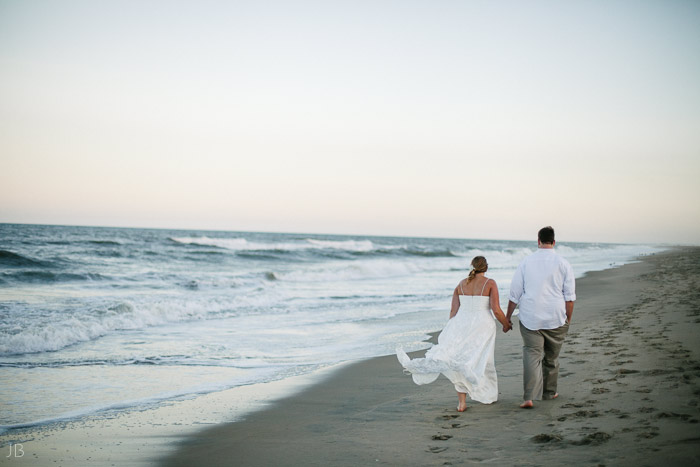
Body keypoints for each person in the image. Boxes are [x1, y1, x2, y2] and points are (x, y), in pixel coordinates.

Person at [397, 256, 512, 412]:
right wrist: (506, 324)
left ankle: (462, 403)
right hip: (482, 326)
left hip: (461, 324)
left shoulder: (461, 284)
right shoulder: (490, 283)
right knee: (482, 359)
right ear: (486, 267)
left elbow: (453, 311)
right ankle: (487, 395)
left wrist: (453, 328)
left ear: (472, 266)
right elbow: (496, 309)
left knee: (458, 359)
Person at [506, 226, 576, 409]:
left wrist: (507, 318)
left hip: (530, 318)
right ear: (553, 242)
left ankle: (529, 397)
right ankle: (549, 393)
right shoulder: (563, 263)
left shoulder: (526, 262)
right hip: (556, 317)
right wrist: (568, 319)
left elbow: (515, 293)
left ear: (538, 241)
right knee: (552, 357)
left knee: (532, 355)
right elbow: (569, 297)